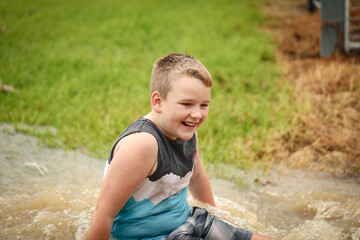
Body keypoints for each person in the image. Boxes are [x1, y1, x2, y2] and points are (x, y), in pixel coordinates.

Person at [87, 53, 278, 240]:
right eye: (187, 104)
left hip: (188, 220)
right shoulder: (142, 144)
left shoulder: (187, 131)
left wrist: (217, 216)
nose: (196, 114)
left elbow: (197, 176)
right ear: (158, 102)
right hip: (151, 236)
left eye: (203, 105)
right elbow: (104, 213)